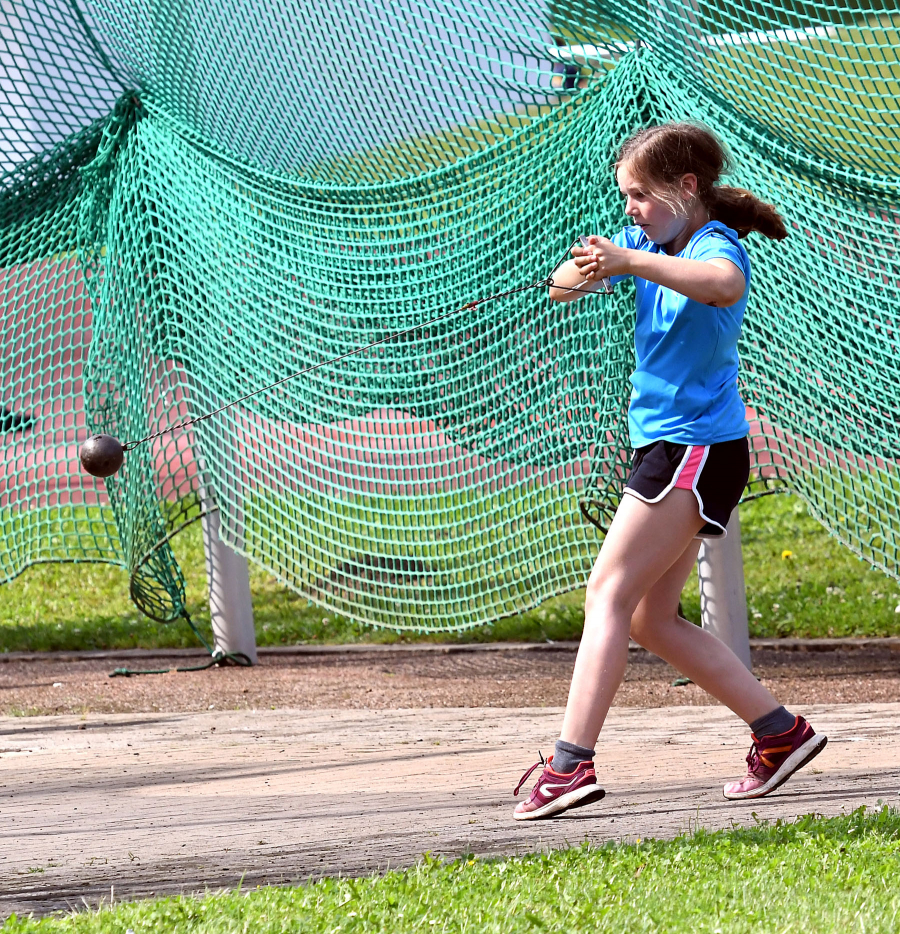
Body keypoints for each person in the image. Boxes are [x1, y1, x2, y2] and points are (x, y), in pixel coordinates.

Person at [513, 122, 827, 821]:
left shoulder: (711, 246)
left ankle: (569, 765)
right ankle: (780, 733)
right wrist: (600, 261)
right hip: (675, 448)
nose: (631, 210)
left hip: (691, 450)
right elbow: (563, 289)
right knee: (652, 618)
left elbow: (721, 284)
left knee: (608, 593)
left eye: (641, 196)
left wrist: (632, 262)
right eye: (624, 197)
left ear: (688, 188)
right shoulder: (653, 241)